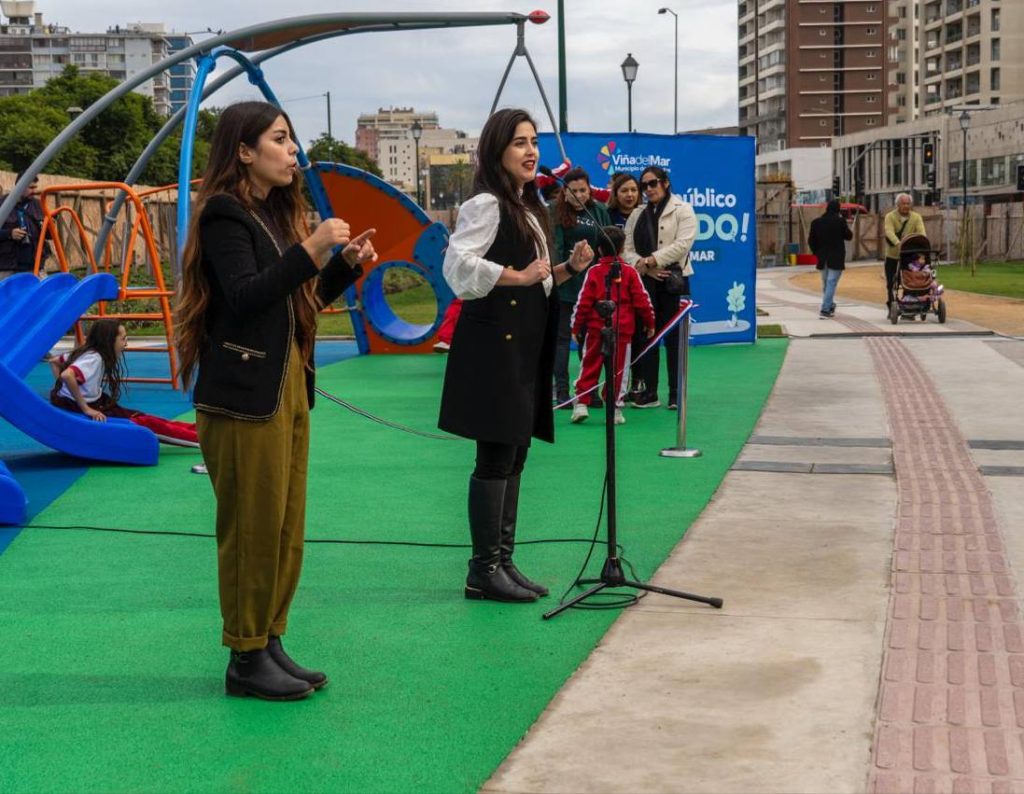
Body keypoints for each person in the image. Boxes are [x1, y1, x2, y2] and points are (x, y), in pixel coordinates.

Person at [174, 101, 377, 701]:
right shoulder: (224, 215)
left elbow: (294, 298)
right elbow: (242, 297)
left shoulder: (267, 214)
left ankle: (269, 638)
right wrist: (311, 250)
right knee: (252, 528)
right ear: (244, 150)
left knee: (286, 524)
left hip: (285, 385)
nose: (293, 151)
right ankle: (244, 654)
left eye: (290, 141)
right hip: (242, 397)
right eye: (280, 139)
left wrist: (339, 269)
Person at [438, 108, 593, 604]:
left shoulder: (529, 205)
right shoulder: (487, 203)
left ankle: (503, 560)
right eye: (520, 143)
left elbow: (539, 279)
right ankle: (482, 569)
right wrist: (517, 275)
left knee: (515, 452)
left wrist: (568, 267)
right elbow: (457, 267)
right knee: (496, 455)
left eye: (534, 142)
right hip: (494, 348)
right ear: (497, 151)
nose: (531, 152)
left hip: (523, 347)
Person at [48, 319, 198, 447]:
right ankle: (198, 439)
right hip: (89, 405)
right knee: (147, 423)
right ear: (109, 341)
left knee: (142, 416)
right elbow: (68, 375)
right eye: (123, 339)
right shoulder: (94, 358)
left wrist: (61, 392)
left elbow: (54, 361)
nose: (126, 344)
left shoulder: (87, 352)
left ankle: (195, 429)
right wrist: (85, 408)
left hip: (96, 401)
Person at [622, 166, 697, 410]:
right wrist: (644, 266)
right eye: (644, 185)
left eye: (652, 183)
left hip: (673, 281)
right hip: (644, 282)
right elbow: (626, 249)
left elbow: (683, 244)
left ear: (665, 183)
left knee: (674, 339)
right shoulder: (637, 214)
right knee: (646, 336)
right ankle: (649, 392)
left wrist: (653, 259)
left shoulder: (682, 210)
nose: (648, 189)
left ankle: (676, 393)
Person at [570, 226, 654, 426]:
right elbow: (643, 300)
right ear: (622, 248)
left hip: (595, 329)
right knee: (619, 371)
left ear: (598, 249)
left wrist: (576, 326)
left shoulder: (594, 272)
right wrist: (650, 322)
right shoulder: (630, 272)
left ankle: (581, 403)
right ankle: (615, 407)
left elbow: (583, 302)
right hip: (623, 331)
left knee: (590, 365)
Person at [551, 167, 610, 408]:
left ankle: (589, 390)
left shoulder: (599, 211)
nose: (578, 196)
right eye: (573, 191)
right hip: (566, 286)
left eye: (582, 190)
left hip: (594, 287)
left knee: (591, 341)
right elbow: (555, 247)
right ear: (565, 192)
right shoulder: (555, 213)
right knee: (563, 339)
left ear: (590, 190)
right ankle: (563, 391)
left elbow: (608, 241)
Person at [807, 199, 853, 319]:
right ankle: (825, 309)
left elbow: (811, 241)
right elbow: (849, 236)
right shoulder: (840, 221)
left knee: (826, 283)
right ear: (838, 209)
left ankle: (830, 304)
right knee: (831, 283)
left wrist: (816, 252)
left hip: (822, 257)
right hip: (837, 257)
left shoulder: (816, 222)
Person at [0, 172, 49, 281]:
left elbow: (49, 235)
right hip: (7, 268)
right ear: (19, 186)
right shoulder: (2, 204)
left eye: (35, 187)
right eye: (31, 188)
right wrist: (9, 234)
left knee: (43, 294)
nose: (34, 191)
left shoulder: (38, 205)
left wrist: (51, 227)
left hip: (35, 266)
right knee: (6, 297)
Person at [883, 193, 924, 311]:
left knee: (909, 281)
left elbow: (921, 232)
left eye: (908, 203)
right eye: (903, 203)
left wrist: (922, 242)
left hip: (909, 255)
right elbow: (889, 232)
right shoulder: (890, 217)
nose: (906, 206)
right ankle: (891, 304)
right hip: (892, 254)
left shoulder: (916, 217)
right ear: (897, 205)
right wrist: (898, 243)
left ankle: (908, 304)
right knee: (890, 282)